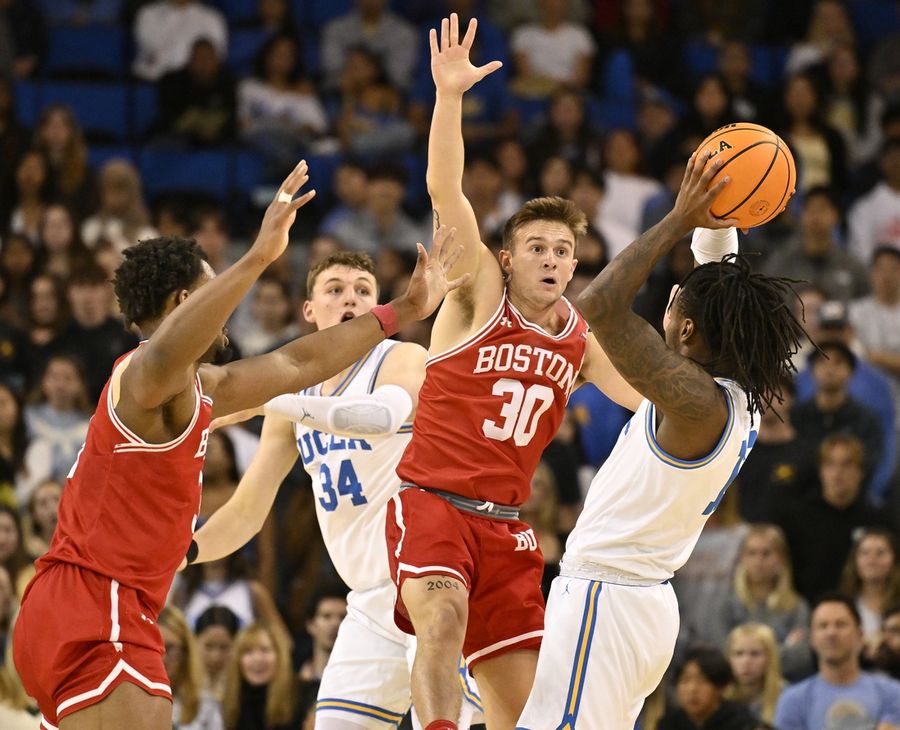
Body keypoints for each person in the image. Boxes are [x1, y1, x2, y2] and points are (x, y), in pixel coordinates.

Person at [11, 160, 465, 730]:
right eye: (211, 289)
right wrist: (257, 259)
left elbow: (294, 361)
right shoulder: (144, 377)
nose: (227, 308)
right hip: (97, 606)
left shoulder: (200, 389)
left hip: (87, 606)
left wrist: (404, 310)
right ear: (183, 305)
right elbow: (179, 352)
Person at [385, 15, 645, 728]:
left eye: (563, 250)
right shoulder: (479, 297)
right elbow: (447, 190)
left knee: (525, 710)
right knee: (440, 620)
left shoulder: (582, 342)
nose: (553, 260)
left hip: (506, 530)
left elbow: (652, 405)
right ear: (507, 257)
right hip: (434, 503)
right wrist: (448, 98)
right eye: (537, 247)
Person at [516, 155, 808, 725]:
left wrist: (674, 219)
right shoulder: (736, 387)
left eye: (675, 300)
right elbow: (716, 264)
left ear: (688, 330)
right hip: (640, 604)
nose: (669, 299)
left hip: (607, 599)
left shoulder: (694, 400)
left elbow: (597, 305)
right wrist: (716, 199)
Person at [193, 250, 482, 729]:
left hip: (430, 581)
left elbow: (380, 417)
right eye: (335, 290)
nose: (351, 299)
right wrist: (181, 553)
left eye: (363, 290)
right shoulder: (294, 395)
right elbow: (246, 512)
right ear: (309, 310)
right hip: (370, 602)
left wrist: (269, 402)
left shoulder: (402, 357)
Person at [774, 594, 900, 729]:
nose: (831, 633)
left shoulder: (891, 693)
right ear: (812, 639)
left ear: (860, 635)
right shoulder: (793, 700)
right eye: (823, 626)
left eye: (841, 624)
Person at [657, 647, 759, 730]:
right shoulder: (669, 723)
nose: (692, 689)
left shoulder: (743, 723)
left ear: (721, 687)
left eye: (702, 681)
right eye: (685, 680)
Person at [159, 606, 224, 730]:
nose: (163, 658)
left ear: (186, 652)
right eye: (155, 649)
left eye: (170, 648)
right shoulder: (131, 700)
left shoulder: (206, 706)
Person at [725, 623, 786, 725]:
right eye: (738, 654)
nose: (746, 662)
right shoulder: (718, 698)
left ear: (770, 658)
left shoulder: (786, 697)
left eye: (755, 654)